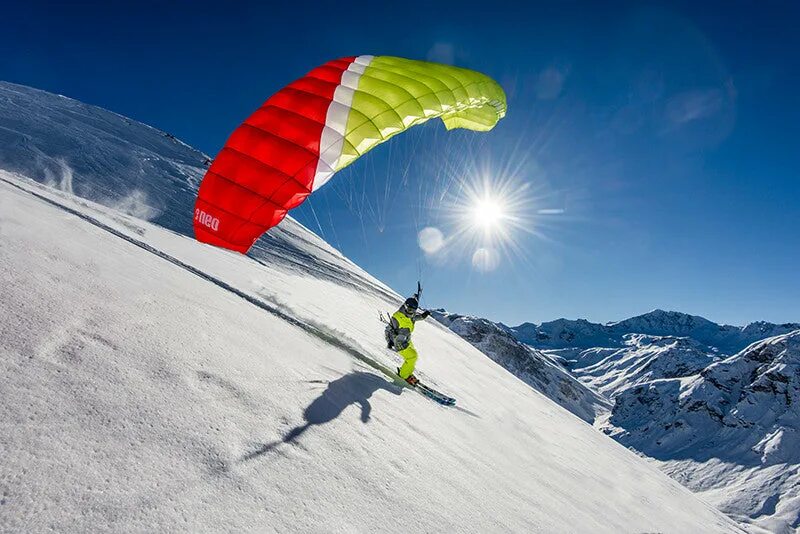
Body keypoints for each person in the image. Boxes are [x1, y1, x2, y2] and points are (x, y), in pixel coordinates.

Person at [386, 294, 430, 385]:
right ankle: (403, 375)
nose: (411, 312)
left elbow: (415, 318)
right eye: (410, 309)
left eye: (413, 310)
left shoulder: (411, 315)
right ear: (405, 306)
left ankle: (407, 372)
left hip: (407, 340)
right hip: (399, 342)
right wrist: (390, 341)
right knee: (412, 357)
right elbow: (388, 329)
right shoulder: (397, 317)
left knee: (414, 356)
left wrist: (423, 316)